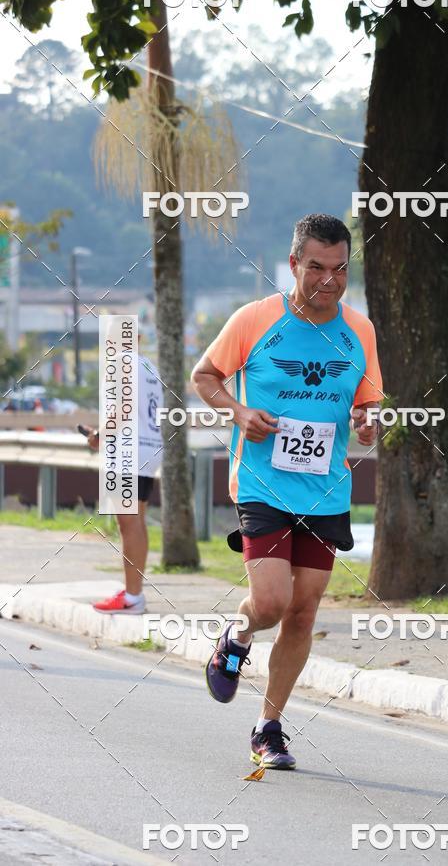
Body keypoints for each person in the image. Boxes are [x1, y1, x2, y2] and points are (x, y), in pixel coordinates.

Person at [191, 213, 382, 770]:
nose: (329, 280)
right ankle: (237, 635)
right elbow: (206, 376)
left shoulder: (360, 330)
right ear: (295, 264)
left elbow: (366, 405)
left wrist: (369, 424)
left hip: (325, 490)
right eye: (316, 267)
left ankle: (268, 726)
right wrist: (239, 410)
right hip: (262, 482)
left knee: (303, 613)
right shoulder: (254, 320)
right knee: (271, 603)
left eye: (340, 269)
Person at [84, 350, 164, 615]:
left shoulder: (122, 363)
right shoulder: (149, 366)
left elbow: (123, 407)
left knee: (128, 524)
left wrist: (98, 435)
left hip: (127, 453)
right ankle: (134, 592)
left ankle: (132, 597)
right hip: (149, 448)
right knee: (137, 521)